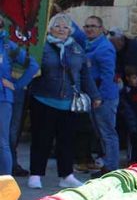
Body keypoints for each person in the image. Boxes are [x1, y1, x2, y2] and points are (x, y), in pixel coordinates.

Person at [27, 14, 99, 189]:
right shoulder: (41, 47)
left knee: (66, 140)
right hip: (43, 99)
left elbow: (84, 74)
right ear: (50, 29)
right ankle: (36, 174)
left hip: (68, 102)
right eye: (57, 26)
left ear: (70, 31)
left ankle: (66, 175)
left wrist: (95, 95)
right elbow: (30, 68)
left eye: (65, 27)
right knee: (41, 139)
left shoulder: (76, 48)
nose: (61, 29)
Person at [72, 16, 121, 175]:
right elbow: (78, 33)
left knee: (107, 132)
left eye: (93, 26)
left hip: (104, 97)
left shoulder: (104, 47)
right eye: (87, 26)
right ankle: (108, 163)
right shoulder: (88, 44)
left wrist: (100, 97)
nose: (89, 29)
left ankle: (111, 167)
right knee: (101, 132)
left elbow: (108, 75)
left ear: (101, 29)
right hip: (95, 96)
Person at [1, 30, 39, 176]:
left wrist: (16, 85)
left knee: (2, 142)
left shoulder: (8, 47)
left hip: (2, 99)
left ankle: (5, 181)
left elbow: (33, 66)